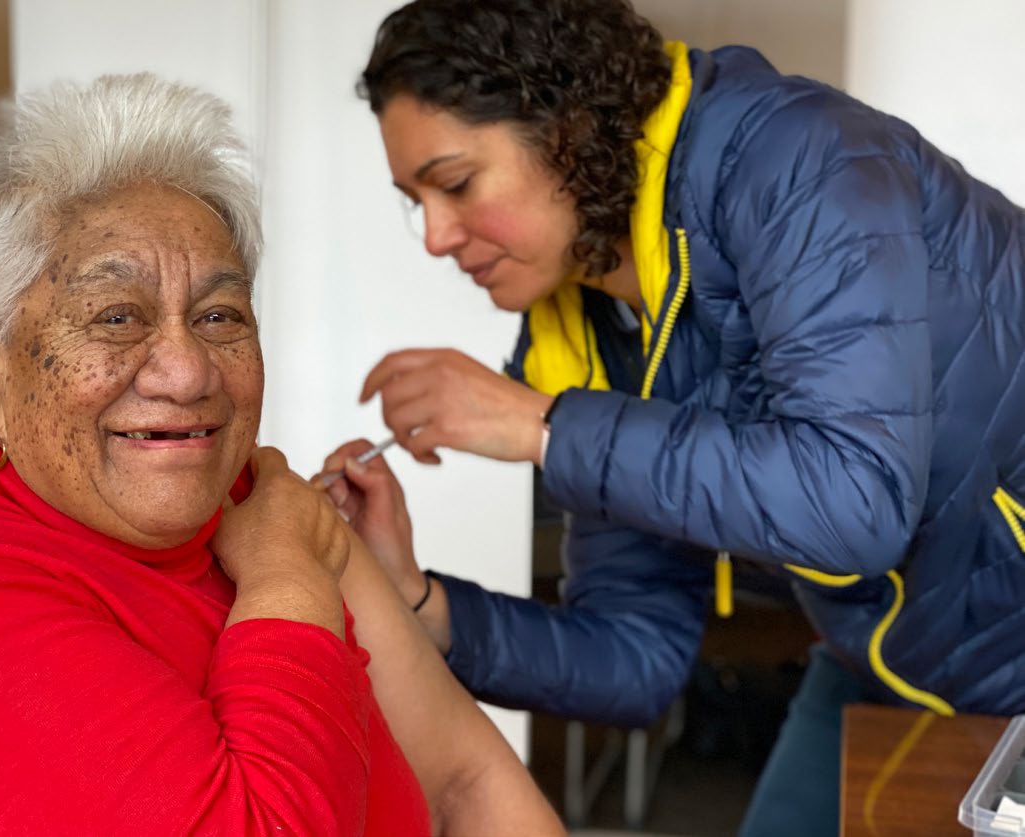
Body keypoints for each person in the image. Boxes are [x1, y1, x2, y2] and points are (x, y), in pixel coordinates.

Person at [320, 1, 1025, 835]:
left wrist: (545, 426)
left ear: (568, 130)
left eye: (456, 182)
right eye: (415, 200)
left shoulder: (801, 163)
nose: (435, 236)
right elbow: (631, 657)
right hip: (886, 658)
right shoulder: (586, 322)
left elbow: (853, 504)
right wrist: (416, 598)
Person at [0, 72, 562, 837]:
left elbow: (468, 783)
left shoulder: (259, 502)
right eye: (115, 316)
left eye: (218, 314)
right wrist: (284, 575)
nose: (186, 371)